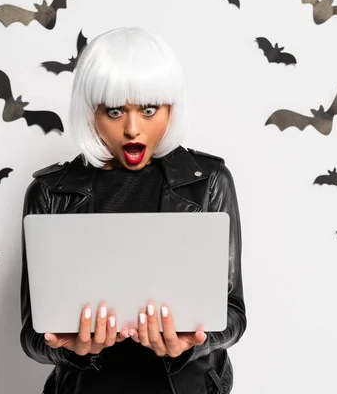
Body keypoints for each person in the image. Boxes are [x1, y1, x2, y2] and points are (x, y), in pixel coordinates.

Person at [20, 26, 247, 394]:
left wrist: (188, 344)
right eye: (114, 111)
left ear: (171, 108)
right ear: (90, 112)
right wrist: (75, 350)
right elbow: (32, 335)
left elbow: (233, 314)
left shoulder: (209, 181)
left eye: (148, 109)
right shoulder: (49, 193)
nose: (132, 128)